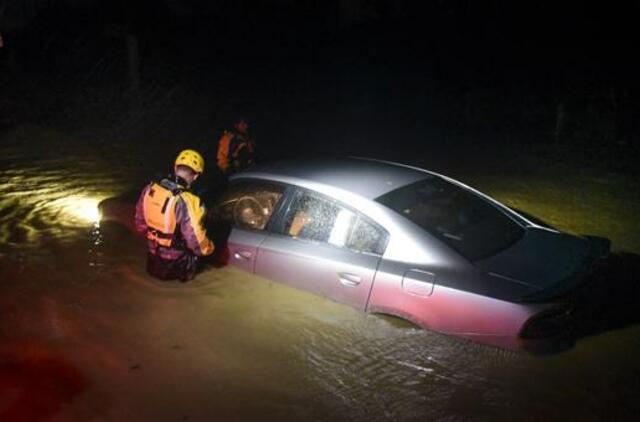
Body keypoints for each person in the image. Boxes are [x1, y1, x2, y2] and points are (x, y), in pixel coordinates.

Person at [135, 149, 215, 282]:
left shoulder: (149, 189)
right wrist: (210, 249)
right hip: (177, 263)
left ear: (175, 167)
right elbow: (195, 241)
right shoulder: (188, 200)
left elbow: (140, 225)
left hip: (153, 256)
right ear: (196, 176)